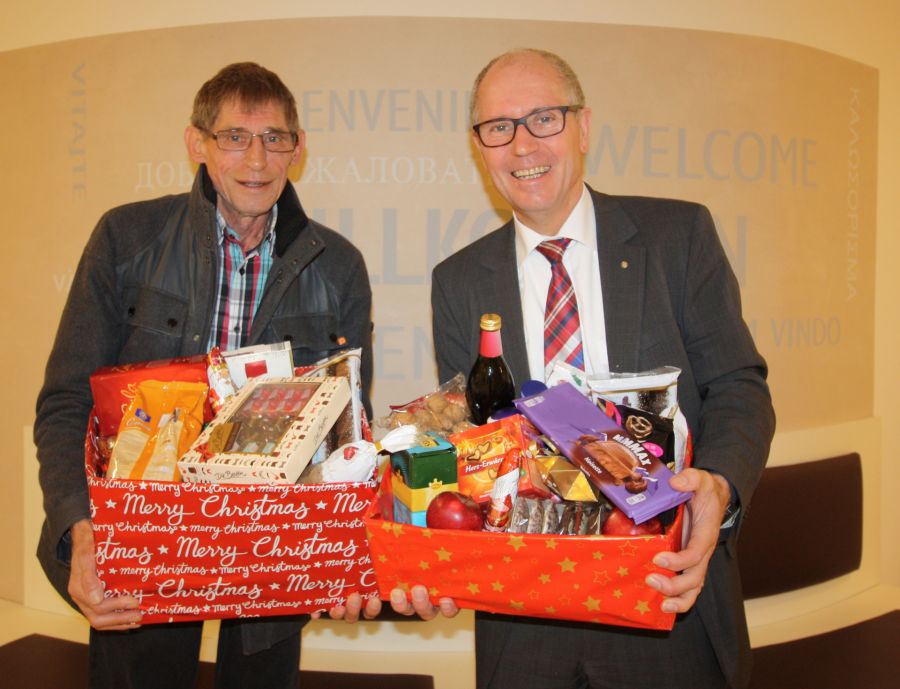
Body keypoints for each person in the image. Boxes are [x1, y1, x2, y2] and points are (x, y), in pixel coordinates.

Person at [396, 48, 776, 689]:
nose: (523, 145)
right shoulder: (457, 282)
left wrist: (718, 485)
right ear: (480, 148)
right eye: (499, 127)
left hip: (666, 594)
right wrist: (433, 550)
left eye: (544, 118)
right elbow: (473, 440)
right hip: (524, 618)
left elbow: (739, 385)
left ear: (584, 126)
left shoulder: (678, 237)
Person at [34, 62, 374, 689]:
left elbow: (346, 433)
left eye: (274, 138)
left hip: (275, 550)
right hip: (142, 542)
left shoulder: (339, 266)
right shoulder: (126, 238)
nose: (257, 159)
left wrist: (342, 545)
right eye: (234, 137)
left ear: (297, 148)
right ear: (197, 143)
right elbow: (65, 403)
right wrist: (80, 530)